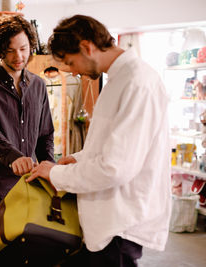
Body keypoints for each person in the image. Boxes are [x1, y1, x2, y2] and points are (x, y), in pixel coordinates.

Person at [26, 15, 171, 267]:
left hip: (121, 222)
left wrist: (56, 174)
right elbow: (112, 144)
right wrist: (78, 158)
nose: (73, 71)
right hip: (108, 221)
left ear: (86, 47)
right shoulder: (119, 78)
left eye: (71, 62)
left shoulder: (137, 82)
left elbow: (116, 167)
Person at [0, 15, 55, 242]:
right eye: (10, 50)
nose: (19, 57)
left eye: (24, 48)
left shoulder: (38, 85)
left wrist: (51, 171)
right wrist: (13, 157)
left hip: (31, 188)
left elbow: (45, 134)